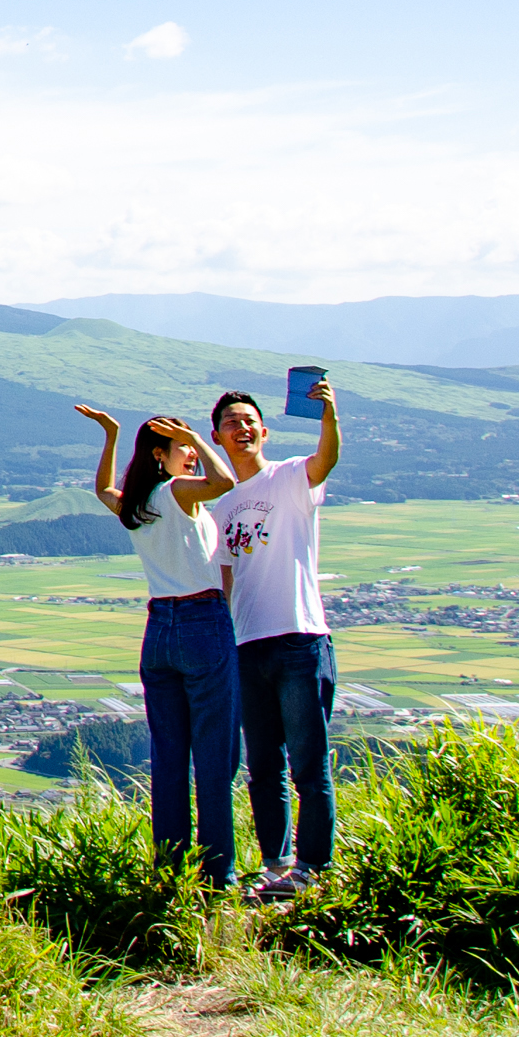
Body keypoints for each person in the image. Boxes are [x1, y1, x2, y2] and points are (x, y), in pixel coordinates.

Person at [76, 403, 239, 889]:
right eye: (182, 448)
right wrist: (204, 443)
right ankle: (217, 876)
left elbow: (104, 489)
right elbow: (225, 481)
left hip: (159, 630)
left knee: (170, 756)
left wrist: (111, 434)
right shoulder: (176, 493)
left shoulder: (139, 503)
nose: (191, 456)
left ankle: (169, 870)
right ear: (159, 455)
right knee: (214, 756)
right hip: (202, 622)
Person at [208, 378, 344, 900]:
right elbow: (223, 583)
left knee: (310, 764)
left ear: (264, 431)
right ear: (217, 438)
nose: (241, 429)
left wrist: (329, 414)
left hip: (300, 637)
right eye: (230, 424)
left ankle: (311, 868)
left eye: (248, 422)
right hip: (248, 645)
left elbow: (325, 459)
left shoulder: (289, 477)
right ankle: (274, 867)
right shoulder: (220, 507)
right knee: (263, 767)